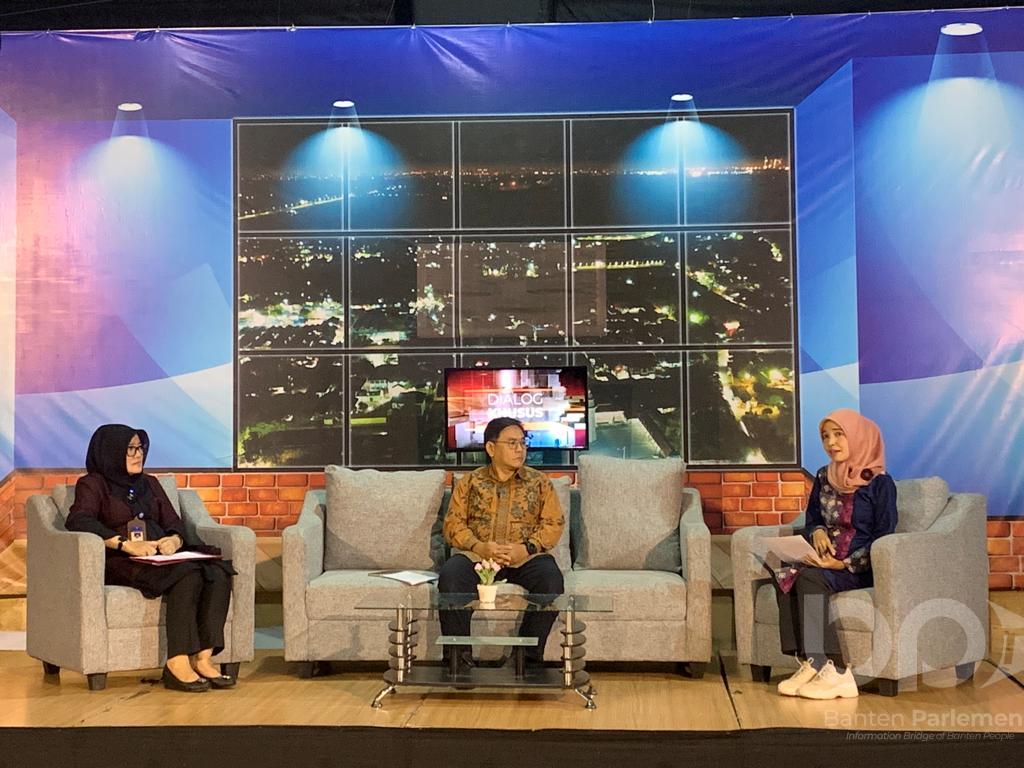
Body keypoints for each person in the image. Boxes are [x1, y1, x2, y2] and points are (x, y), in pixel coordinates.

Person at [65, 424, 238, 693]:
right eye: (130, 449)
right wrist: (124, 544)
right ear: (111, 452)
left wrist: (174, 540)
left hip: (160, 556)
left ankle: (203, 658)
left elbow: (174, 522)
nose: (138, 455)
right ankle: (177, 662)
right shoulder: (93, 484)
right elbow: (79, 519)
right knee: (189, 574)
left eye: (140, 448)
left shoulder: (150, 483)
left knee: (218, 571)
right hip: (122, 561)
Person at [772, 409, 897, 700]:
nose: (831, 443)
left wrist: (842, 563)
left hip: (859, 566)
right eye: (826, 436)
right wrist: (816, 531)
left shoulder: (880, 484)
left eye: (839, 435)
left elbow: (885, 537)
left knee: (810, 578)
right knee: (786, 574)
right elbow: (813, 517)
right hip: (826, 560)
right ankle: (810, 662)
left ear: (859, 437)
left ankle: (837, 671)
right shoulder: (823, 476)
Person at [439, 417, 565, 671]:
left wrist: (526, 548)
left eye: (523, 443)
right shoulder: (470, 482)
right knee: (450, 578)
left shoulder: (539, 482)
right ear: (491, 448)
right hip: (479, 558)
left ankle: (527, 659)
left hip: (525, 557)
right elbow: (452, 525)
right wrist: (479, 547)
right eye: (512, 443)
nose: (520, 449)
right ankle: (458, 660)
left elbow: (553, 524)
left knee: (551, 580)